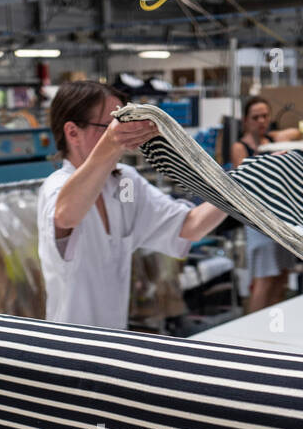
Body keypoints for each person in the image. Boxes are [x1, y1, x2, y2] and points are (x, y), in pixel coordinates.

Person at [37, 80, 228, 328]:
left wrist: (237, 190)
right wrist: (110, 143)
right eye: (109, 127)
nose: (119, 135)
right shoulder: (56, 186)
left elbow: (189, 226)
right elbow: (67, 215)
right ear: (72, 132)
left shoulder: (125, 181)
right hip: (71, 345)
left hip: (116, 340)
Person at [231, 96, 301, 313]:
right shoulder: (240, 147)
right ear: (245, 120)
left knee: (281, 275)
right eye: (255, 117)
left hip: (282, 217)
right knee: (264, 278)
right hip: (260, 221)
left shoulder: (273, 141)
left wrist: (275, 136)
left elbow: (297, 132)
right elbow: (246, 182)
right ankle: (252, 334)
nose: (261, 121)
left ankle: (272, 325)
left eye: (265, 116)